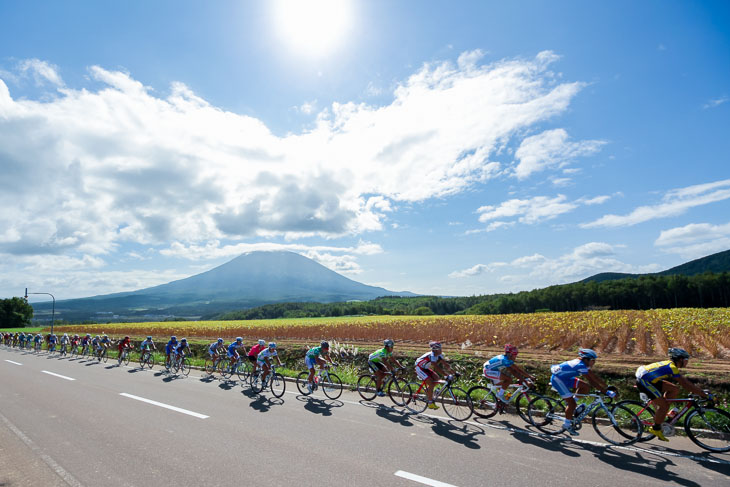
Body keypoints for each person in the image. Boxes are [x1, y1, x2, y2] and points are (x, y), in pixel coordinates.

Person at [636, 347, 713, 441]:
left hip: (648, 377)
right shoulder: (672, 367)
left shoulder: (671, 365)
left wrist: (700, 392)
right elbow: (685, 384)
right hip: (644, 381)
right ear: (680, 359)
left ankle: (662, 413)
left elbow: (685, 384)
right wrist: (703, 394)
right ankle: (656, 428)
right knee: (664, 406)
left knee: (674, 389)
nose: (687, 362)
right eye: (686, 360)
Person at [550, 348, 613, 436]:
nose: (594, 363)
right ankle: (567, 425)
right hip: (558, 380)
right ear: (586, 359)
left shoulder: (583, 363)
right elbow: (592, 381)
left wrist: (606, 386)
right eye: (593, 361)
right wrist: (606, 392)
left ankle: (571, 405)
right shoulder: (580, 365)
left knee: (585, 387)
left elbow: (593, 376)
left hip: (565, 378)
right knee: (572, 404)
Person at [414, 341, 456, 410]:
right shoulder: (432, 355)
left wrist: (454, 373)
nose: (441, 350)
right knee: (430, 382)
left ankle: (428, 391)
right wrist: (446, 375)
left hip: (425, 368)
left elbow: (445, 365)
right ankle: (430, 403)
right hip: (419, 368)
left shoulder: (439, 355)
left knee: (437, 378)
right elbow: (436, 367)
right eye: (440, 349)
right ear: (436, 350)